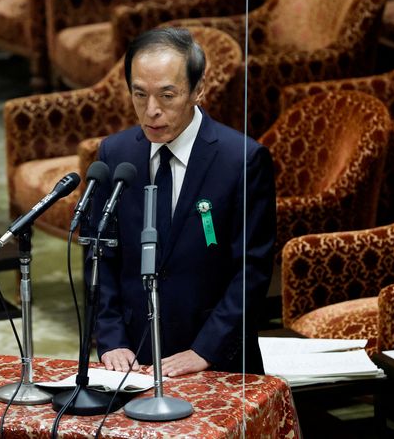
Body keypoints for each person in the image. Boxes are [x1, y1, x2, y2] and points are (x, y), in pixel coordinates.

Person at [89, 27, 275, 377]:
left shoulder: (242, 160)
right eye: (139, 94)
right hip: (131, 358)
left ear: (198, 89)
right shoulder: (116, 154)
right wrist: (112, 339)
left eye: (167, 96)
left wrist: (206, 350)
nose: (151, 111)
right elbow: (101, 257)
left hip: (215, 359)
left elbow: (251, 271)